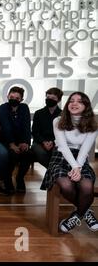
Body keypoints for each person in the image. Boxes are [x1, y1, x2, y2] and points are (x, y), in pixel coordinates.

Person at [41, 92, 98, 233]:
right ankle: (85, 212)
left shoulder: (93, 124)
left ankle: (78, 214)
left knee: (86, 185)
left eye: (79, 101)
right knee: (66, 184)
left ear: (86, 106)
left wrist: (77, 168)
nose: (74, 103)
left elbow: (85, 149)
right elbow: (62, 147)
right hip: (61, 156)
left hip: (80, 158)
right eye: (71, 100)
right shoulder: (58, 120)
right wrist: (74, 167)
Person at [0, 86, 32, 193]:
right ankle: (7, 179)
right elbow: (5, 127)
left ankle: (20, 178)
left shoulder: (24, 108)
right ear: (8, 96)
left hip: (21, 140)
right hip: (5, 140)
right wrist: (11, 144)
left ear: (21, 100)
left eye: (17, 98)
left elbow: (27, 126)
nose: (14, 99)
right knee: (13, 154)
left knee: (29, 154)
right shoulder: (3, 108)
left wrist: (26, 142)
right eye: (11, 96)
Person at [31, 87, 63, 168]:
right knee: (41, 153)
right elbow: (35, 131)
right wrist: (43, 142)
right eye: (48, 97)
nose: (49, 99)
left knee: (57, 153)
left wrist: (53, 142)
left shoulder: (63, 114)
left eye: (53, 98)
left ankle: (52, 174)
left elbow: (63, 133)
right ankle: (52, 173)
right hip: (39, 142)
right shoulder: (38, 113)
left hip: (56, 142)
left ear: (58, 100)